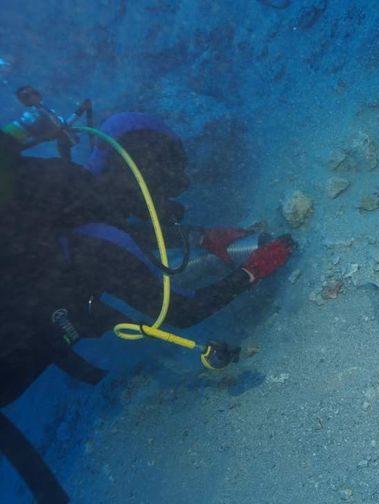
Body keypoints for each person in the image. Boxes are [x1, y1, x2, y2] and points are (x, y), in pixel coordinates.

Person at [0, 98, 293, 503]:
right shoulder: (96, 236)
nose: (170, 197)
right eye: (166, 183)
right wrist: (253, 270)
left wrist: (202, 236)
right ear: (141, 175)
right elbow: (184, 310)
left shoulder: (60, 192)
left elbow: (106, 229)